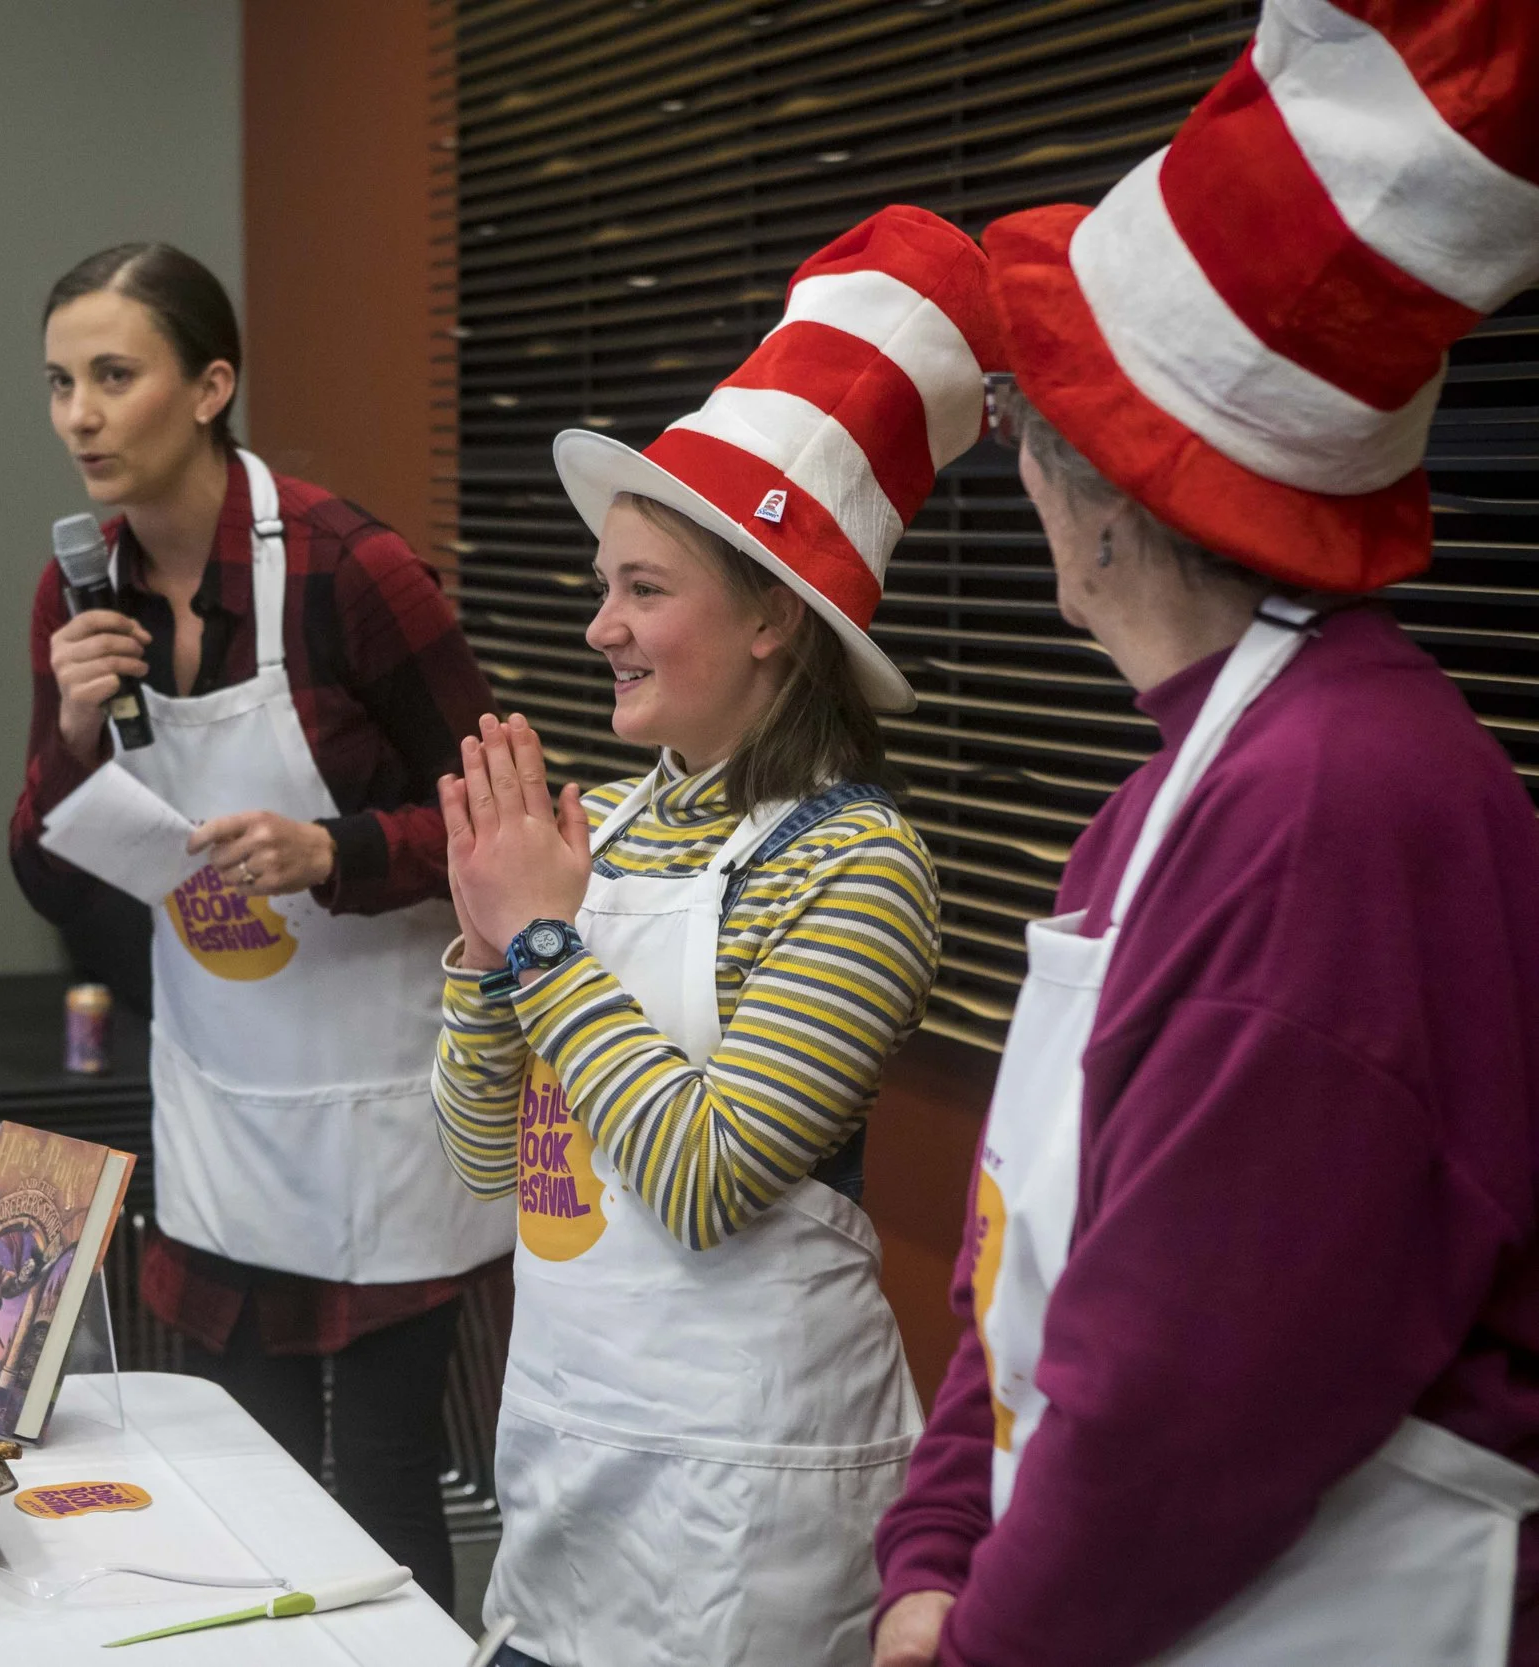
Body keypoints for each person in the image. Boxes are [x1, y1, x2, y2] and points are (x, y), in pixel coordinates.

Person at [872, 7, 1539, 1663]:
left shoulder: (1339, 810)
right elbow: (1017, 1257)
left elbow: (1178, 1398)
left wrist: (972, 1641)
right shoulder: (1183, 785)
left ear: (1112, 485)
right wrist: (936, 1540)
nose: (1014, 461)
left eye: (1030, 424)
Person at [432, 205, 986, 1666]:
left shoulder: (861, 863)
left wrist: (542, 946)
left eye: (645, 588)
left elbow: (702, 1179)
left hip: (755, 1504)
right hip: (567, 1463)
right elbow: (490, 1162)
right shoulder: (597, 825)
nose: (601, 625)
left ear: (773, 625)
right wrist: (486, 949)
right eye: (606, 584)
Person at [7, 242, 510, 1608]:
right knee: (250, 1475)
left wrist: (330, 848)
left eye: (115, 375)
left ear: (211, 384)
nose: (81, 416)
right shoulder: (76, 591)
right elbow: (49, 880)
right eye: (60, 383)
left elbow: (508, 820)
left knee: (387, 1486)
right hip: (223, 1096)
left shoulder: (354, 569)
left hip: (389, 1102)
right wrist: (65, 735)